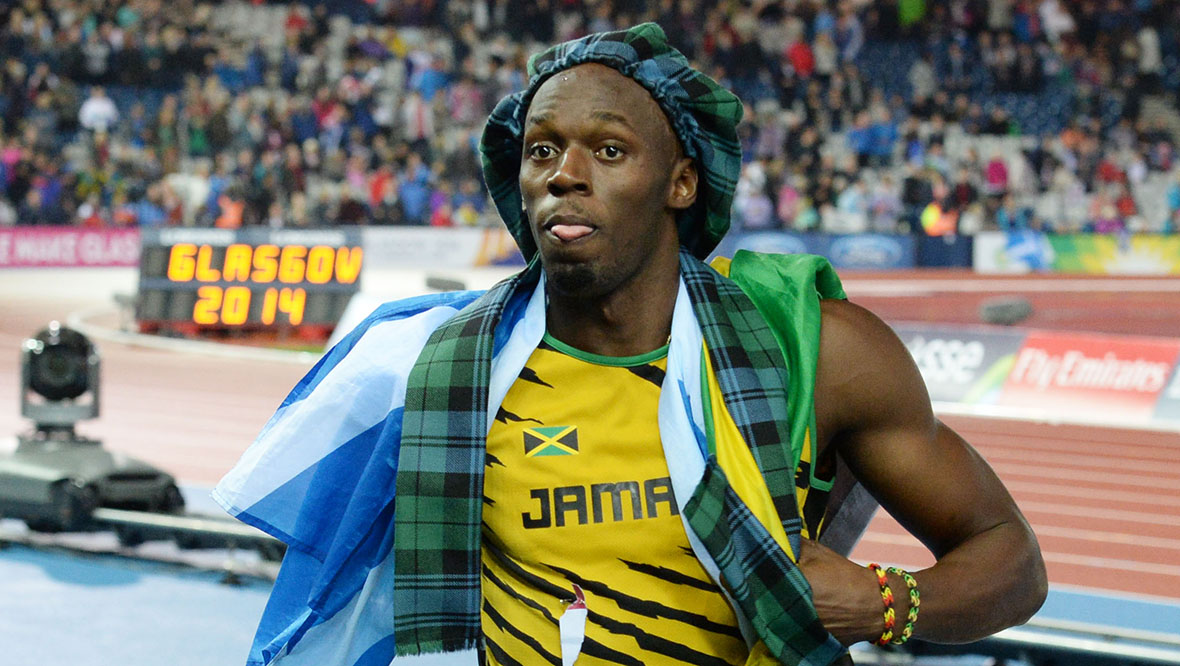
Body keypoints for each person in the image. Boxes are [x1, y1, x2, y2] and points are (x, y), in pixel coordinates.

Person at [215, 24, 1046, 666]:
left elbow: (1009, 558)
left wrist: (883, 602)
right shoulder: (435, 367)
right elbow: (331, 586)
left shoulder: (815, 352)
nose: (562, 175)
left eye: (607, 150)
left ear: (682, 182)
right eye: (542, 150)